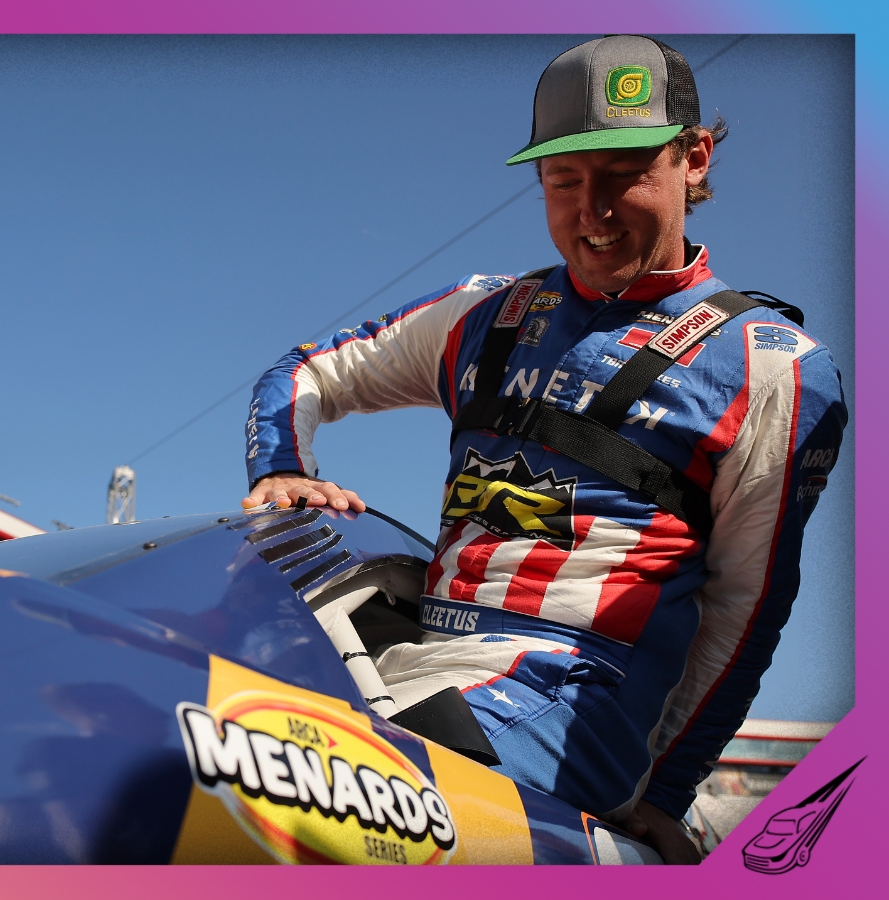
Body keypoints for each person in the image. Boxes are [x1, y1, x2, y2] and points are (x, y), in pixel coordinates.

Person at [240, 34, 846, 864]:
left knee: (296, 783)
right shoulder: (481, 311)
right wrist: (281, 470)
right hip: (417, 652)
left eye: (623, 172)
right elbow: (305, 372)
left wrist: (666, 792)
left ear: (694, 159)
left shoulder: (773, 366)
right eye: (564, 179)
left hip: (574, 699)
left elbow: (749, 606)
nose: (590, 209)